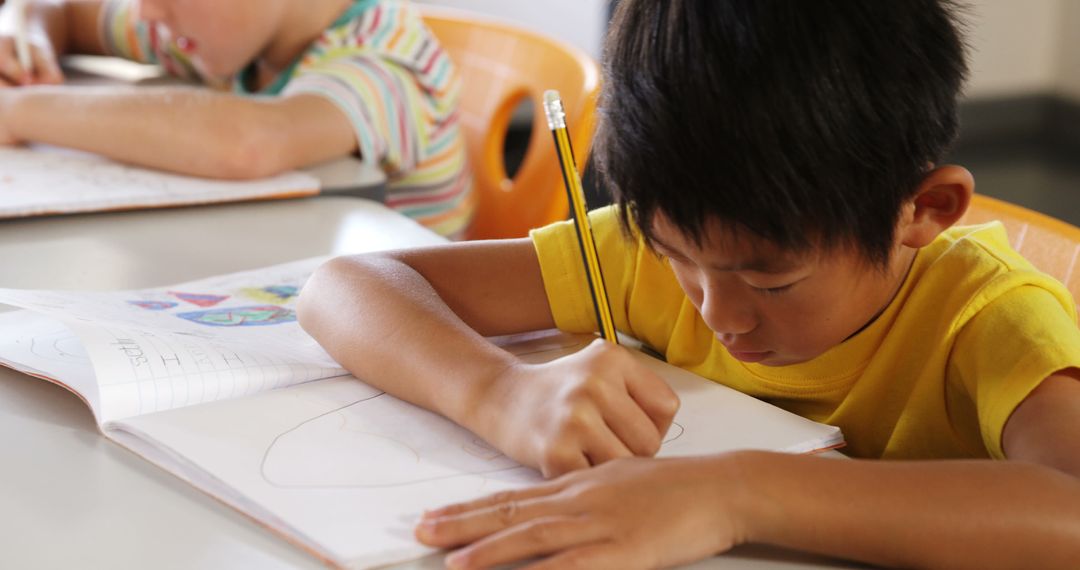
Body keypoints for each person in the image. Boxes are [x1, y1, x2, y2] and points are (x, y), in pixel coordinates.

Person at [297, 0, 1080, 567]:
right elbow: (347, 287)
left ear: (924, 209)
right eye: (677, 254)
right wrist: (498, 393)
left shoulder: (989, 319)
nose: (716, 312)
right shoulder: (648, 250)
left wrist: (736, 494)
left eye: (771, 282)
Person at [0, 0, 474, 237]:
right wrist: (29, 42)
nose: (146, 10)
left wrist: (17, 111)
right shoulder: (210, 31)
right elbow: (56, 7)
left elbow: (251, 141)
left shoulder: (388, 64)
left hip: (396, 339)